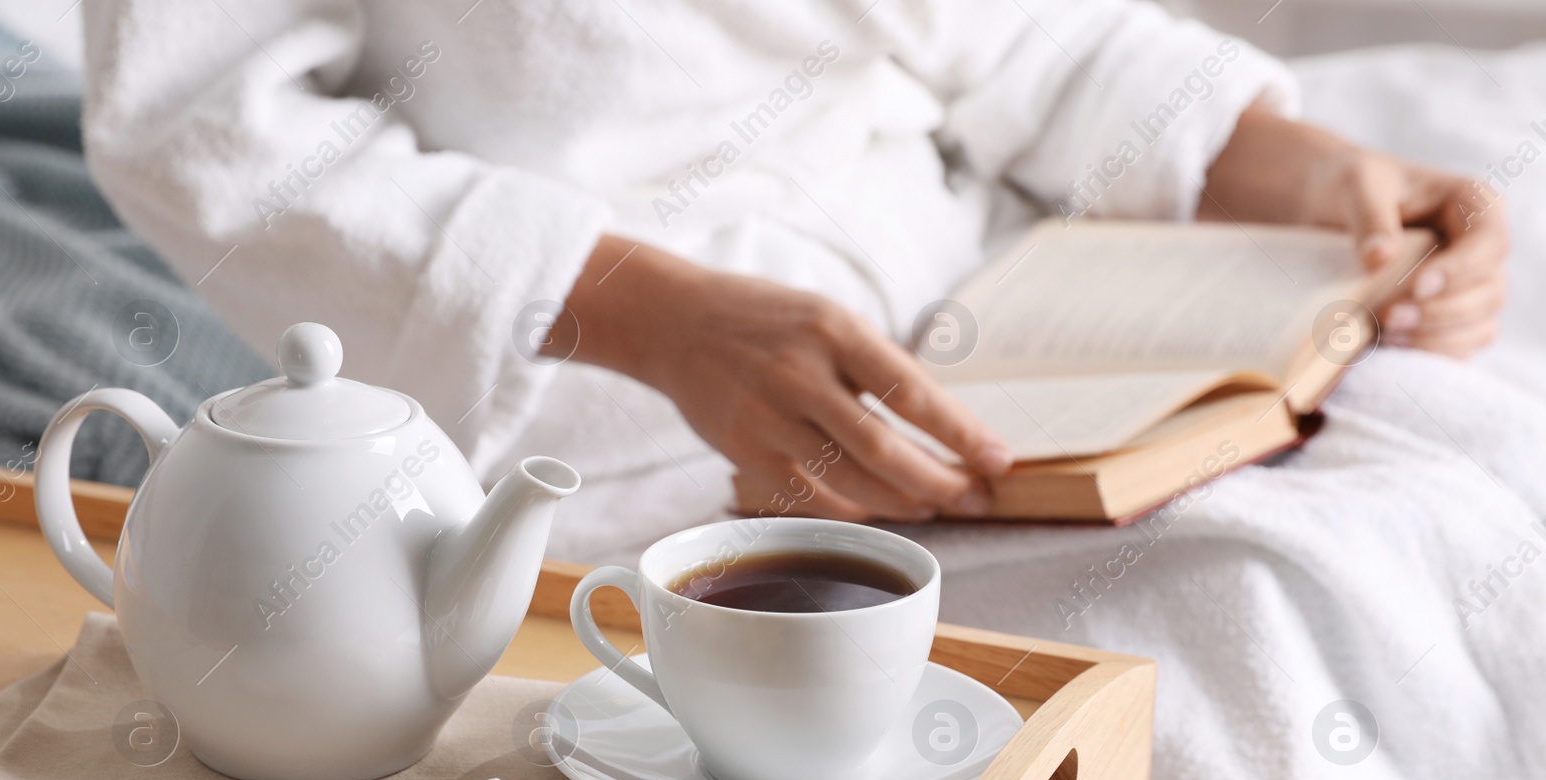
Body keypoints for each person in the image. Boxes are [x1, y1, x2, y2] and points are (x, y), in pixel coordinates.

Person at [80, 0, 1508, 539]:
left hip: (1000, 322)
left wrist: (1308, 168)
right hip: (622, 426)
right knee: (1279, 591)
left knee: (1465, 471)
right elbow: (199, 132)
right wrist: (656, 318)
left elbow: (1019, 41)